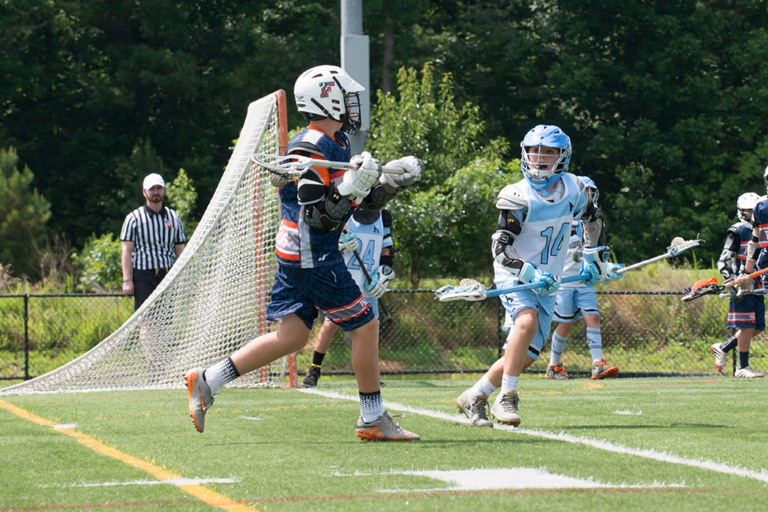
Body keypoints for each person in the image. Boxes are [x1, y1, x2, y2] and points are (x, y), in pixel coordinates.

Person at [184, 65, 424, 441]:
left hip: (298, 254)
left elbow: (354, 205)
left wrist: (387, 184)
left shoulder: (338, 142)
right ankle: (373, 418)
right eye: (345, 96)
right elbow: (317, 215)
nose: (351, 104)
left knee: (293, 336)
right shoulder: (309, 146)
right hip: (313, 254)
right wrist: (349, 186)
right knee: (366, 326)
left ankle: (208, 380)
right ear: (327, 99)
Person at [454, 125, 616, 429]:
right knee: (524, 322)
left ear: (563, 156)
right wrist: (530, 272)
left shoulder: (574, 189)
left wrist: (594, 259)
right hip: (516, 272)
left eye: (549, 151)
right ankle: (507, 397)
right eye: (534, 150)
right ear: (524, 153)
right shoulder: (517, 195)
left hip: (550, 280)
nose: (539, 157)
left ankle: (474, 396)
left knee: (526, 354)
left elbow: (592, 220)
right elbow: (500, 247)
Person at [302, 208, 395, 387]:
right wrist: (340, 245)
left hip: (369, 284)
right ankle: (314, 370)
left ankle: (370, 373)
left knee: (372, 328)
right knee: (330, 324)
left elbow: (387, 250)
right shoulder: (347, 213)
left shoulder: (383, 217)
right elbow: (326, 242)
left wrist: (383, 272)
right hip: (344, 281)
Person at [546, 176, 621, 381]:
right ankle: (554, 365)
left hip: (585, 280)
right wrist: (580, 253)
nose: (588, 197)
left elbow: (596, 248)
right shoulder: (567, 218)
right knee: (565, 323)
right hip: (565, 278)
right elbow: (572, 246)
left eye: (590, 193)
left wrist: (607, 266)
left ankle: (598, 363)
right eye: (584, 192)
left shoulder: (595, 219)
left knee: (593, 317)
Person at [713, 191, 764, 378]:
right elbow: (723, 261)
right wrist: (731, 282)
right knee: (747, 326)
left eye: (753, 211)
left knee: (758, 326)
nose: (751, 215)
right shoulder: (737, 231)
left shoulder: (763, 229)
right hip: (742, 283)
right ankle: (742, 367)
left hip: (758, 284)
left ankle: (723, 347)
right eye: (747, 211)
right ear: (740, 211)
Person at [120, 173, 186, 310]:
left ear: (164, 190)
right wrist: (127, 280)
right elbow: (126, 251)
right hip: (144, 276)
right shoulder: (134, 218)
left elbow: (180, 250)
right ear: (144, 192)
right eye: (152, 189)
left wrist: (182, 277)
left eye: (158, 188)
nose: (155, 192)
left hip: (167, 275)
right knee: (147, 320)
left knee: (164, 321)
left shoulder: (174, 217)